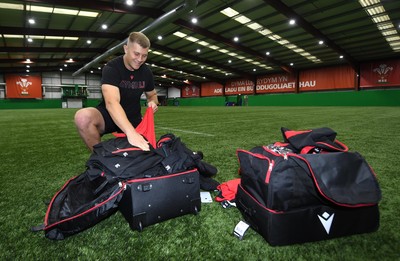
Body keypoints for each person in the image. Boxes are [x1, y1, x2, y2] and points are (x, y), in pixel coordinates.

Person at [74, 32, 159, 152]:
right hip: (109, 115)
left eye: (144, 56)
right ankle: (100, 159)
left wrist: (153, 103)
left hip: (133, 118)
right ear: (126, 49)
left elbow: (152, 95)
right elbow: (112, 103)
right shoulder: (112, 68)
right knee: (82, 117)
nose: (140, 59)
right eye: (136, 54)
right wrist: (131, 133)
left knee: (141, 156)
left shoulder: (146, 72)